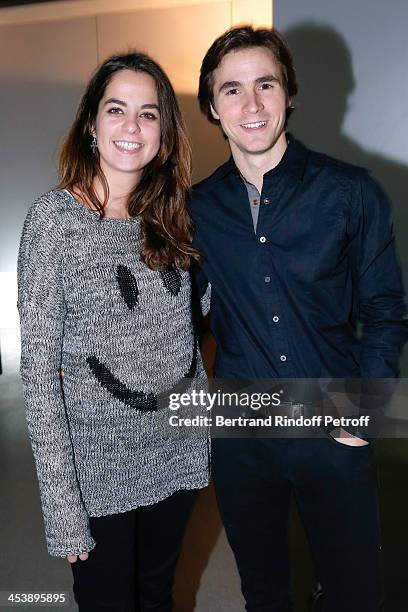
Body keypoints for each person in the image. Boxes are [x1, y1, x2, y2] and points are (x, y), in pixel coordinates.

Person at [190, 26, 408, 612]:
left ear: (290, 94)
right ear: (213, 107)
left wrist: (361, 412)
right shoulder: (197, 208)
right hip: (244, 436)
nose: (251, 104)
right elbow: (179, 315)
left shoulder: (352, 193)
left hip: (334, 421)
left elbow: (386, 309)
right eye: (231, 90)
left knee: (355, 592)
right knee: (265, 594)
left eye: (266, 84)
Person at [17, 52, 209, 612]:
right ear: (91, 125)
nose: (132, 126)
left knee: (157, 593)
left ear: (165, 134)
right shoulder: (54, 221)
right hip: (98, 467)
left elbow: (194, 320)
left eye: (148, 114)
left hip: (179, 450)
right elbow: (38, 373)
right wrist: (61, 505)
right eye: (117, 109)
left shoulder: (174, 216)